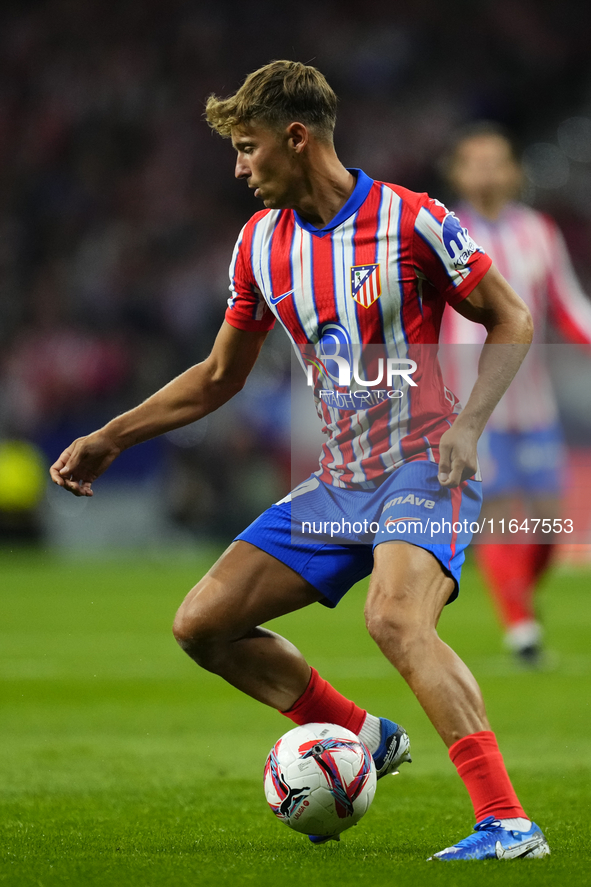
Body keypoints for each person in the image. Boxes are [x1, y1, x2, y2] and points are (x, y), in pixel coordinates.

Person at [50, 62, 548, 860]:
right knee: (202, 625)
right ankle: (362, 734)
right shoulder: (259, 245)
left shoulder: (411, 220)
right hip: (336, 485)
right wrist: (114, 434)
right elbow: (219, 376)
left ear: (296, 138)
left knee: (391, 616)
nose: (239, 168)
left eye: (248, 149)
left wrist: (471, 425)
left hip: (423, 467)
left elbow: (511, 318)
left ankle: (507, 822)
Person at [440, 123, 591, 665]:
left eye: (495, 161)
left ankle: (519, 596)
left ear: (513, 173)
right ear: (457, 172)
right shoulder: (439, 230)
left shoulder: (538, 232)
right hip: (473, 408)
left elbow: (570, 306)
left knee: (550, 523)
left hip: (535, 405)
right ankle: (521, 628)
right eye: (473, 161)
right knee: (500, 514)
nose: (484, 172)